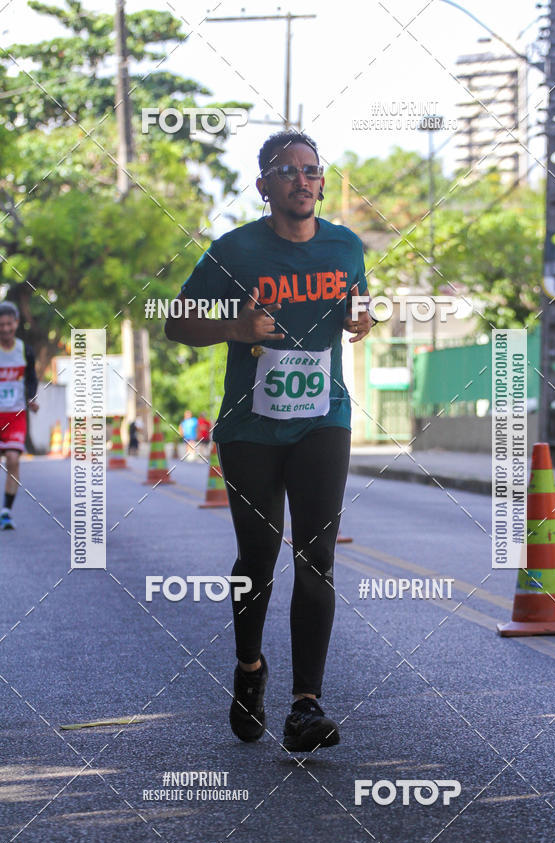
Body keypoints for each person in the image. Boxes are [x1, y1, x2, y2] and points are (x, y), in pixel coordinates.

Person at [165, 132, 372, 752]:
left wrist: (364, 319)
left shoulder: (345, 247)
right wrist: (234, 324)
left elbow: (357, 307)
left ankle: (306, 704)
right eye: (289, 171)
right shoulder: (234, 251)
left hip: (323, 418)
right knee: (257, 559)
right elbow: (177, 323)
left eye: (313, 171)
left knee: (317, 556)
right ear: (264, 186)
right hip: (251, 427)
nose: (303, 181)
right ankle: (250, 670)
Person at [0, 301, 39, 530]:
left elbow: (31, 379)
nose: (5, 329)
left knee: (13, 459)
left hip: (15, 415)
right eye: (1, 325)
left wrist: (31, 398)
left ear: (16, 324)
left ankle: (6, 511)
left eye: (9, 324)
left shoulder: (25, 350)